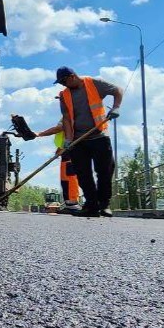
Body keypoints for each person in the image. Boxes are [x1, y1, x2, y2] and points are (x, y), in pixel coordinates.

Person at [56, 66, 122, 217]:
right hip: (78, 140)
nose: (63, 85)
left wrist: (116, 107)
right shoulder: (64, 95)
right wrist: (67, 139)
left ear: (72, 76)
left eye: (63, 81)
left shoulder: (93, 83)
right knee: (83, 174)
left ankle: (104, 205)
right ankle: (91, 206)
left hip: (99, 136)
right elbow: (66, 118)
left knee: (104, 171)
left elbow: (118, 90)